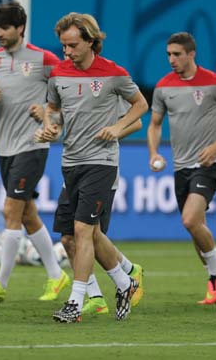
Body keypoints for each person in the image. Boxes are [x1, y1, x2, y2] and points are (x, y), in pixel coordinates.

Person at [40, 12, 148, 323]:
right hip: (70, 162)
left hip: (101, 162)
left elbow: (141, 105)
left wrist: (118, 127)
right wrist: (50, 126)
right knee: (70, 237)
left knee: (83, 230)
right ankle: (125, 281)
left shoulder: (113, 73)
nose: (67, 52)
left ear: (90, 41)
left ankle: (76, 302)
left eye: (73, 45)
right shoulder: (59, 73)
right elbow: (52, 109)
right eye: (63, 46)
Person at [0, 1, 70, 302]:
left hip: (34, 143)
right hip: (4, 146)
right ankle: (56, 275)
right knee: (27, 214)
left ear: (20, 29)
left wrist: (47, 115)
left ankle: (1, 282)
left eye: (5, 28)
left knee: (10, 210)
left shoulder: (45, 59)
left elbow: (66, 97)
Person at [148, 32, 216, 305]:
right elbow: (155, 124)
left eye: (177, 54)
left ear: (191, 54)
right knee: (196, 228)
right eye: (168, 54)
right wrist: (153, 153)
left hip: (208, 163)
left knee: (189, 220)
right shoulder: (163, 87)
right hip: (180, 166)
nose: (172, 59)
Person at [47, 101, 144, 315]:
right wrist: (46, 121)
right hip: (73, 171)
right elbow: (59, 124)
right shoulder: (67, 85)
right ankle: (109, 289)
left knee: (89, 232)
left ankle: (117, 280)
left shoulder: (106, 87)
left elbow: (136, 122)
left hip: (100, 169)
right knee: (68, 238)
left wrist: (113, 132)